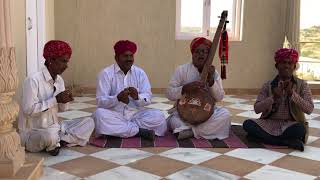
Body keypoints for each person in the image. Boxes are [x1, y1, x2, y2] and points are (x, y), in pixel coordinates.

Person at [18, 40, 95, 156]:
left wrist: (65, 101)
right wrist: (55, 100)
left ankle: (58, 141)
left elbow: (63, 109)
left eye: (67, 62)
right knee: (49, 136)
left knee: (89, 122)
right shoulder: (33, 80)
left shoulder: (59, 81)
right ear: (50, 60)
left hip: (56, 127)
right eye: (63, 61)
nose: (66, 66)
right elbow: (29, 110)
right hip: (33, 132)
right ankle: (56, 141)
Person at [93, 40, 167, 140]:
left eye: (131, 56)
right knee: (99, 115)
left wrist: (137, 97)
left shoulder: (140, 73)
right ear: (116, 58)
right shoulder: (106, 74)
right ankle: (139, 131)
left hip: (135, 115)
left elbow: (148, 97)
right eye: (125, 56)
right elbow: (100, 101)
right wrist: (117, 98)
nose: (129, 59)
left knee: (159, 116)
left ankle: (120, 129)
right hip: (114, 114)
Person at [243, 48, 314, 151]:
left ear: (294, 66)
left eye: (290, 63)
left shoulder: (302, 85)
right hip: (269, 123)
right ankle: (286, 141)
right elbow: (257, 109)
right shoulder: (268, 85)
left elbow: (309, 109)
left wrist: (292, 94)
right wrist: (273, 98)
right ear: (276, 66)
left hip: (291, 124)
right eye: (283, 62)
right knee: (248, 124)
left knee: (301, 129)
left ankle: (262, 139)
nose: (286, 66)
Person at [166, 37, 231, 140]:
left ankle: (191, 132)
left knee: (225, 115)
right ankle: (202, 131)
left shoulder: (213, 73)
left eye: (204, 52)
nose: (201, 54)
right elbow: (169, 93)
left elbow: (219, 97)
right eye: (197, 51)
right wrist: (185, 88)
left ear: (208, 55)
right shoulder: (182, 70)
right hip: (184, 114)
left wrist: (211, 81)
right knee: (174, 121)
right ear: (192, 53)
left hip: (207, 113)